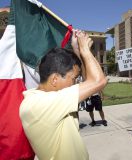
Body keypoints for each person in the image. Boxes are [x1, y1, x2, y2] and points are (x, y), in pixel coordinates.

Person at [19, 30, 107, 160]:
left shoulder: (43, 98)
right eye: (73, 79)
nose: (75, 83)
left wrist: (77, 50)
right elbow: (98, 81)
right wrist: (85, 50)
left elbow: (88, 80)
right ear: (55, 79)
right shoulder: (40, 104)